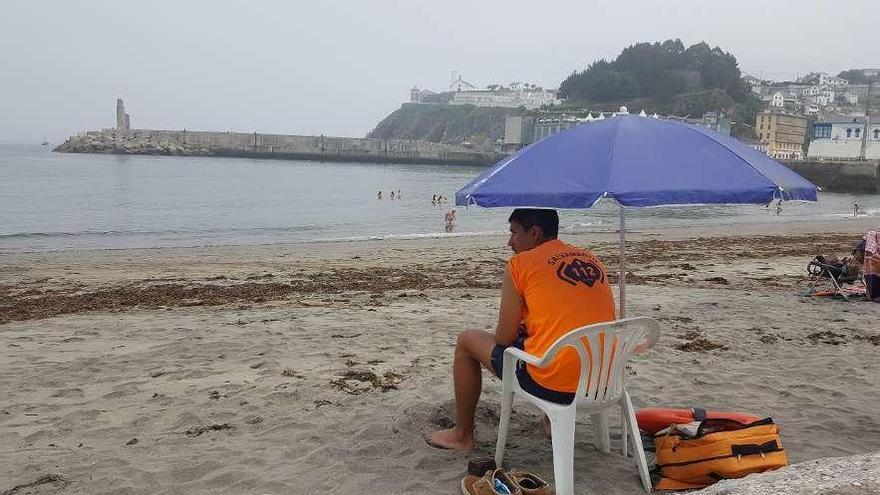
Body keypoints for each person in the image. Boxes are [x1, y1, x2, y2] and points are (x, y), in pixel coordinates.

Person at [425, 209, 616, 451]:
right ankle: (551, 421)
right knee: (553, 339)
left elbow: (504, 337)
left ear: (534, 232)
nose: (510, 242)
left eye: (514, 233)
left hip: (555, 386)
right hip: (604, 380)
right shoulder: (592, 258)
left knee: (466, 342)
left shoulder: (520, 264)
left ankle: (462, 435)